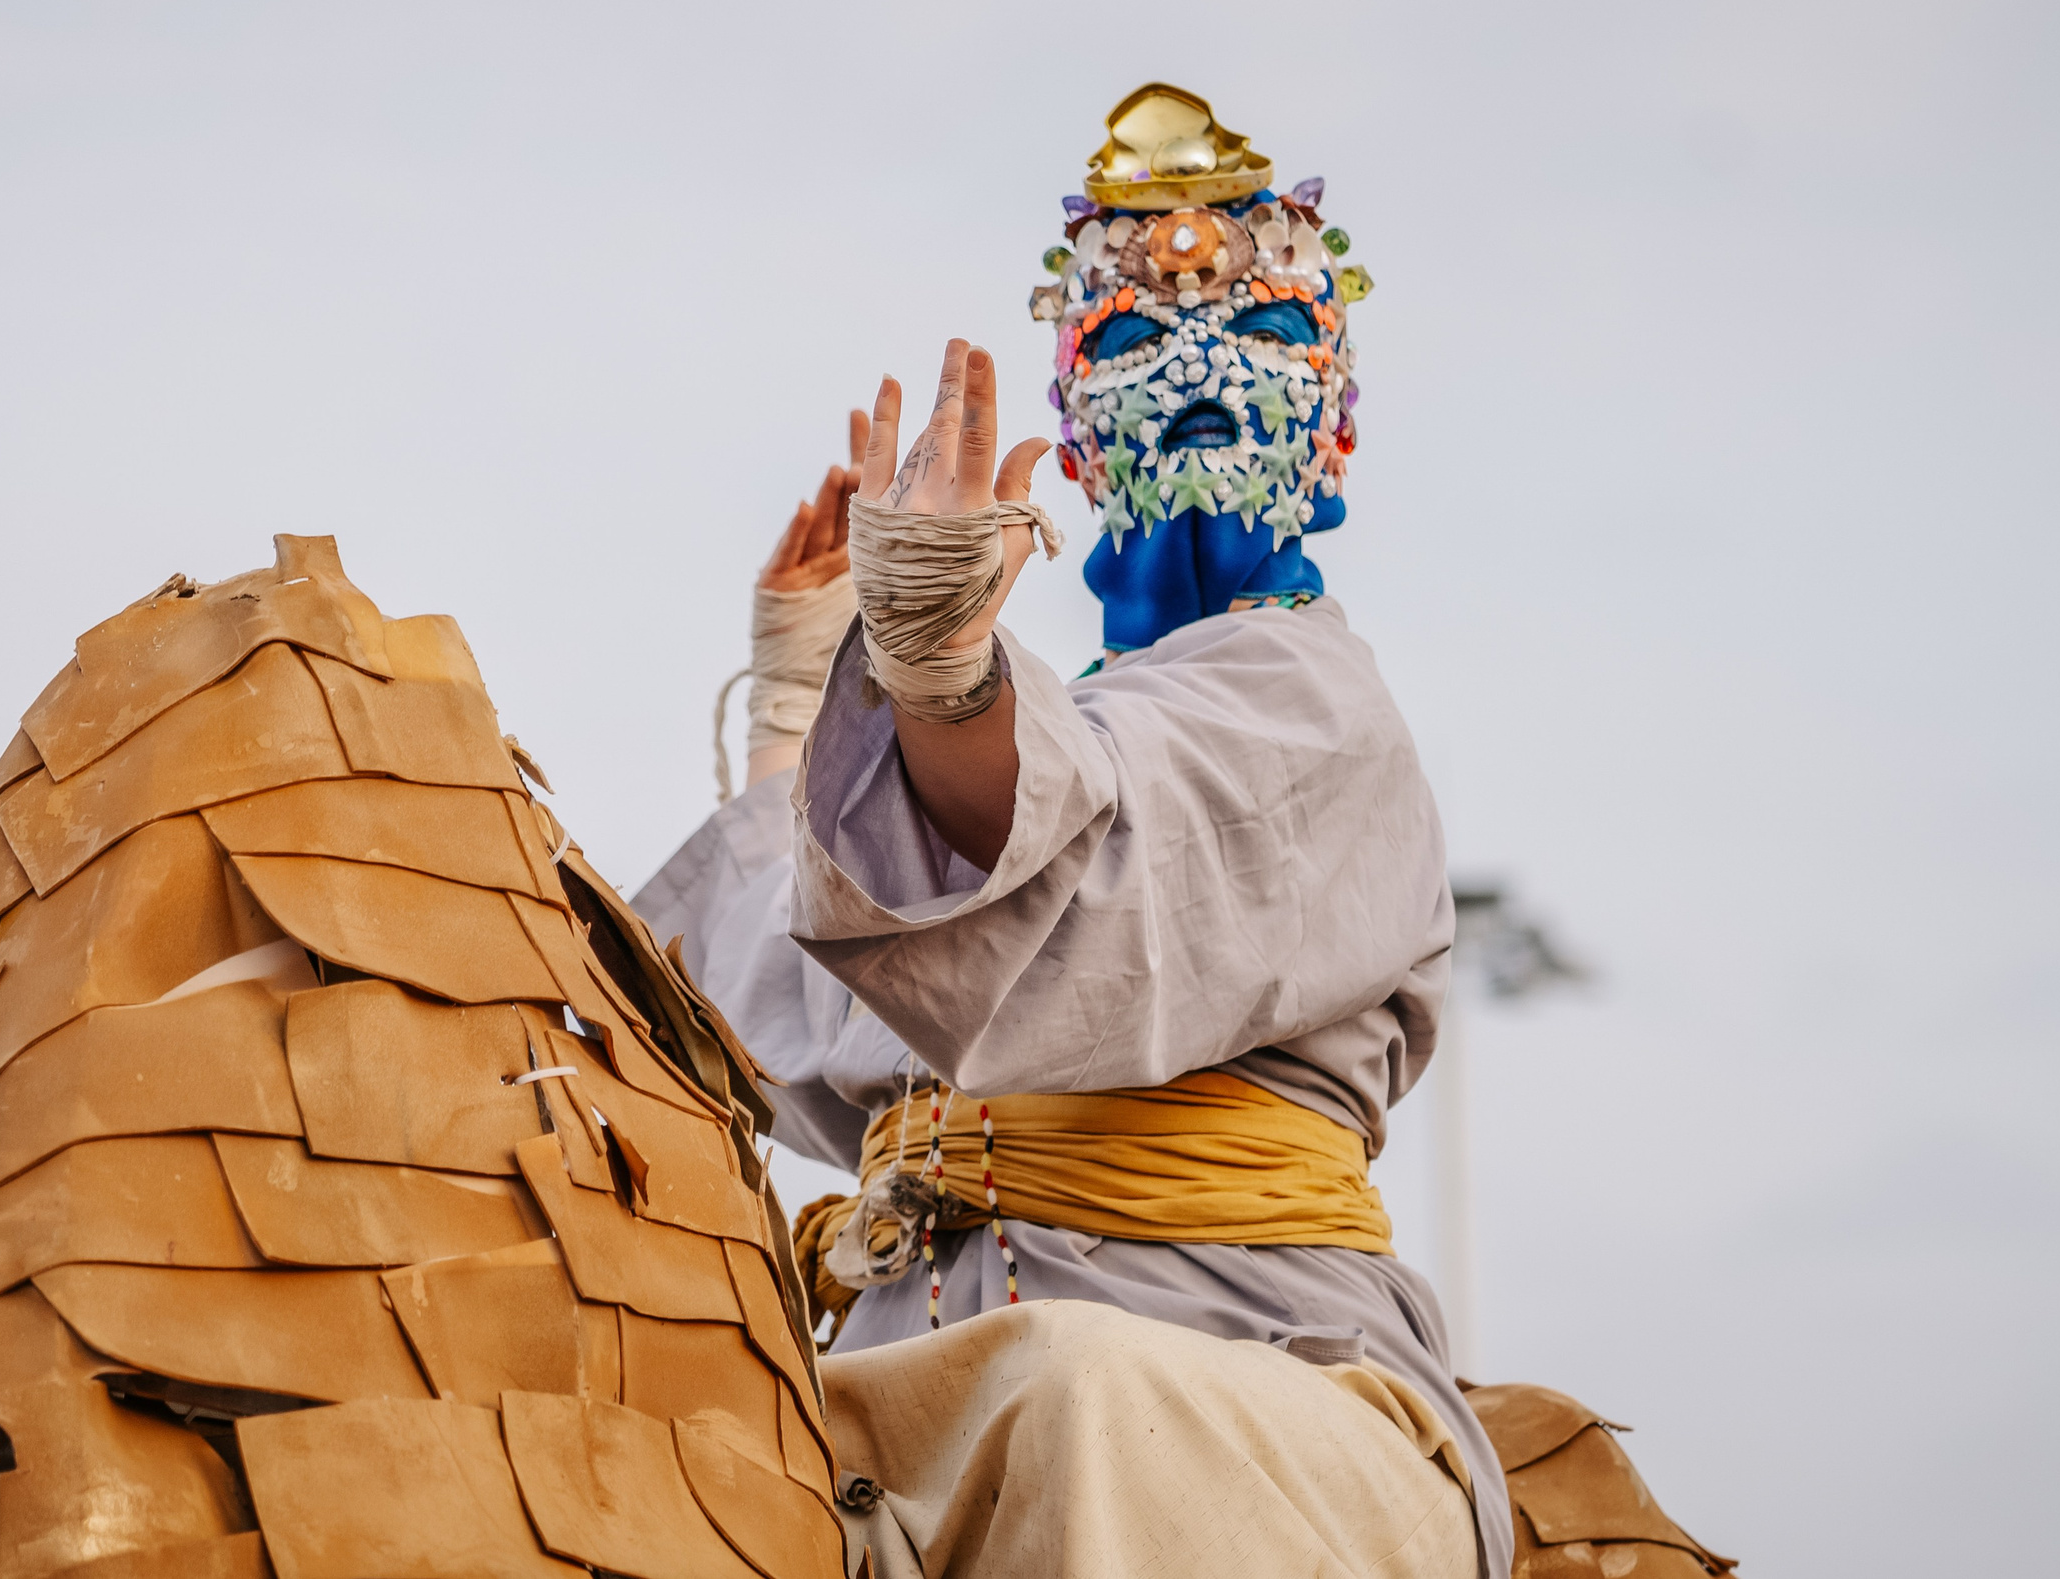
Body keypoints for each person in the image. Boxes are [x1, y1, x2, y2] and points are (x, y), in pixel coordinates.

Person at [636, 84, 1509, 1579]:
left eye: (1266, 336)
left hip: (1252, 1373)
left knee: (1072, 1395)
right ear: (1075, 430)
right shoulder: (1058, 738)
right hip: (901, 1370)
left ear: (1338, 416)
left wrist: (936, 680)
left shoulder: (1311, 700)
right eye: (1128, 342)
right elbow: (814, 1010)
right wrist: (811, 700)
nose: (1197, 369)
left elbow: (1060, 906)